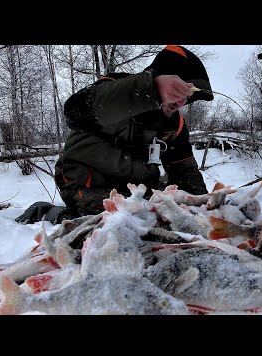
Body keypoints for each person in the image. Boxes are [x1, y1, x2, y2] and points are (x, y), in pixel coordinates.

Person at [15, 45, 214, 225]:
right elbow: (73, 112)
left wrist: (202, 207)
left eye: (187, 97)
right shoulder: (119, 90)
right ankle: (46, 212)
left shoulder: (174, 123)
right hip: (86, 184)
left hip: (136, 190)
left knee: (162, 214)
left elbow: (186, 172)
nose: (181, 103)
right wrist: (151, 90)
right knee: (110, 222)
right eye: (179, 91)